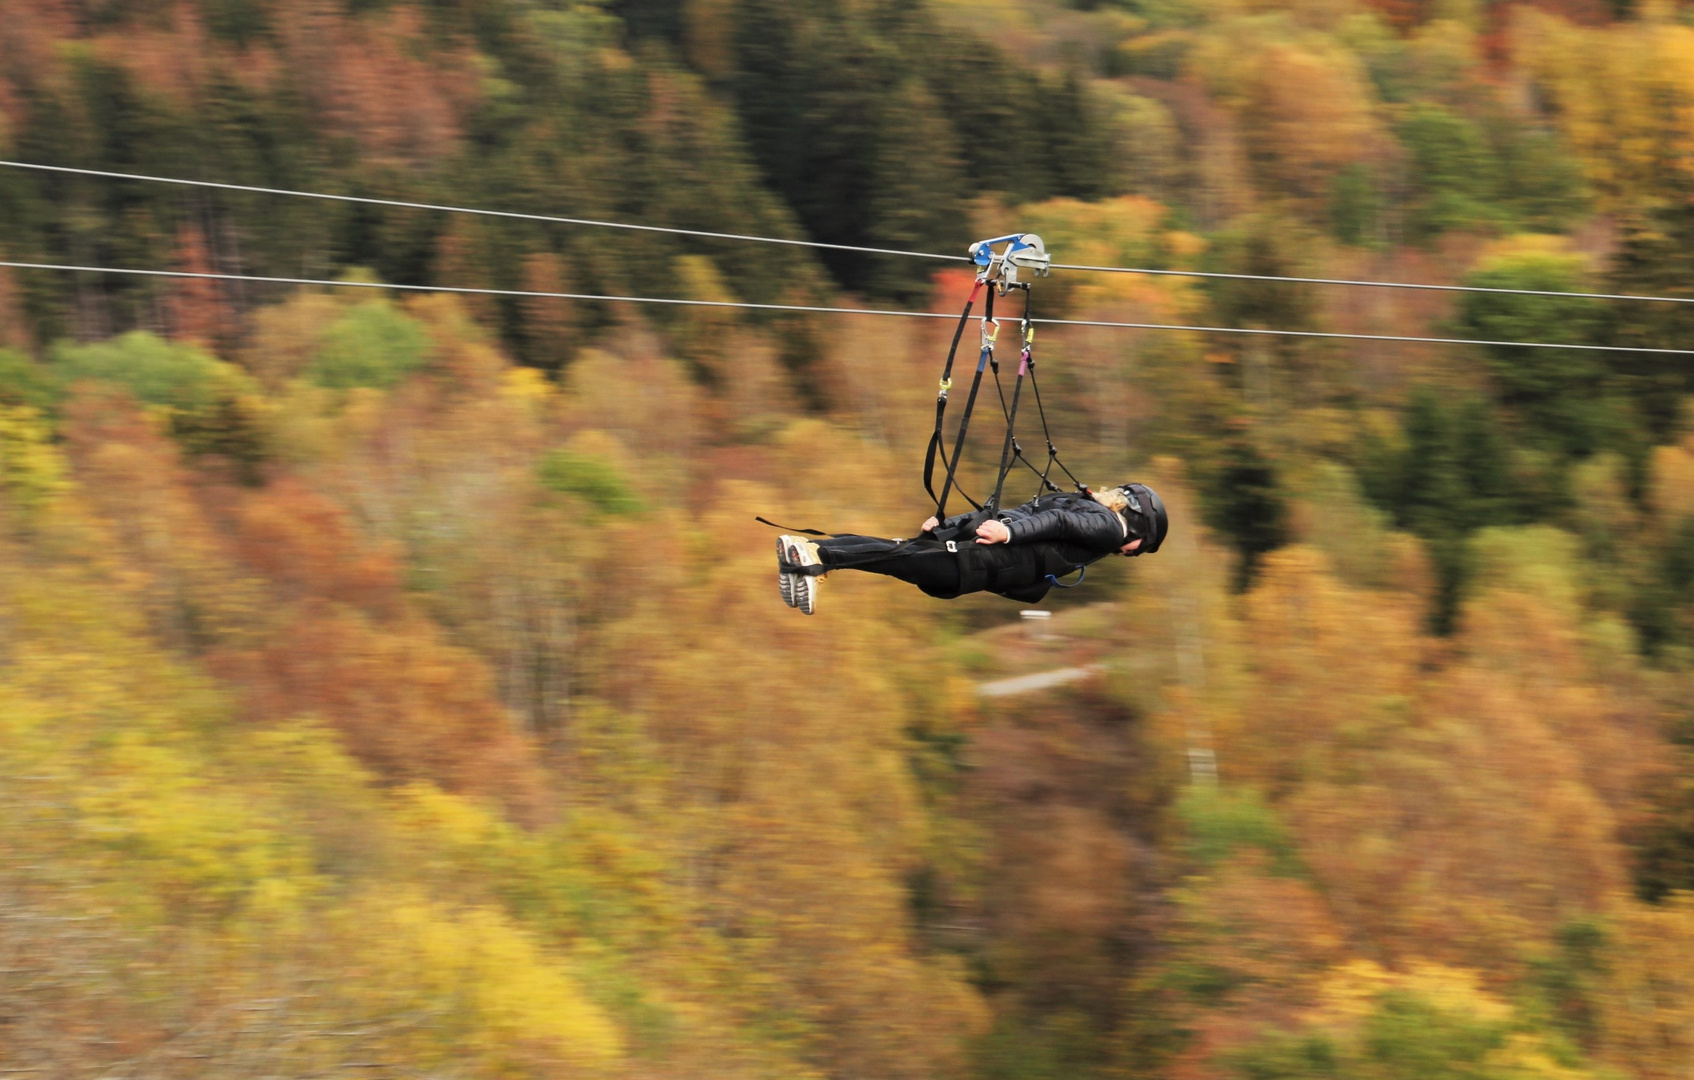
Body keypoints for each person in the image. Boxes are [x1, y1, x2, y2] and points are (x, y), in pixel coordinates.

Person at [776, 484, 1167, 614]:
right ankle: (819, 559)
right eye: (1138, 548)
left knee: (897, 552)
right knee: (898, 559)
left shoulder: (1077, 502)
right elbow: (1054, 524)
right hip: (983, 560)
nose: (1129, 553)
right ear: (1138, 529)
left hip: (977, 547)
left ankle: (807, 550)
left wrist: (947, 525)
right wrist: (1009, 537)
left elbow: (1019, 512)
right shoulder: (1109, 528)